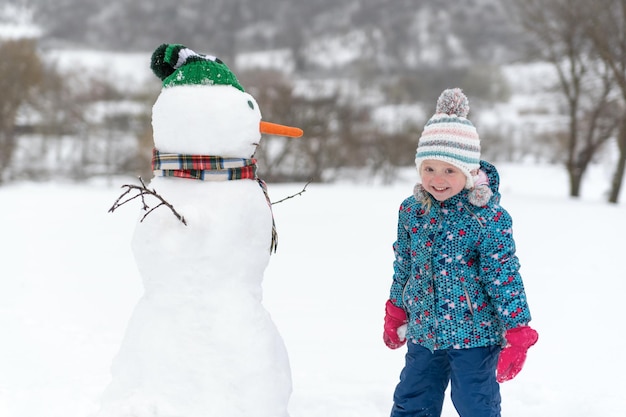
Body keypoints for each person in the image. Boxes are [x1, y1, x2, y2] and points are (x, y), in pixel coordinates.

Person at [383, 88, 538, 417]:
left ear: (468, 172)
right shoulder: (412, 211)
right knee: (412, 400)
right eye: (429, 169)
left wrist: (517, 329)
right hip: (424, 331)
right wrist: (396, 309)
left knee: (475, 404)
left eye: (449, 171)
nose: (437, 180)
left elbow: (503, 275)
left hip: (475, 334)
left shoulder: (487, 218)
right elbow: (405, 264)